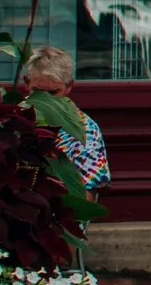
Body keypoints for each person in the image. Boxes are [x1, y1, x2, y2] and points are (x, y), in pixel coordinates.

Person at [18, 46, 110, 199]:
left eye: (54, 92)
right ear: (26, 83)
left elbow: (89, 193)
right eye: (38, 92)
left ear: (69, 86)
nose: (46, 101)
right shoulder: (11, 118)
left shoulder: (86, 129)